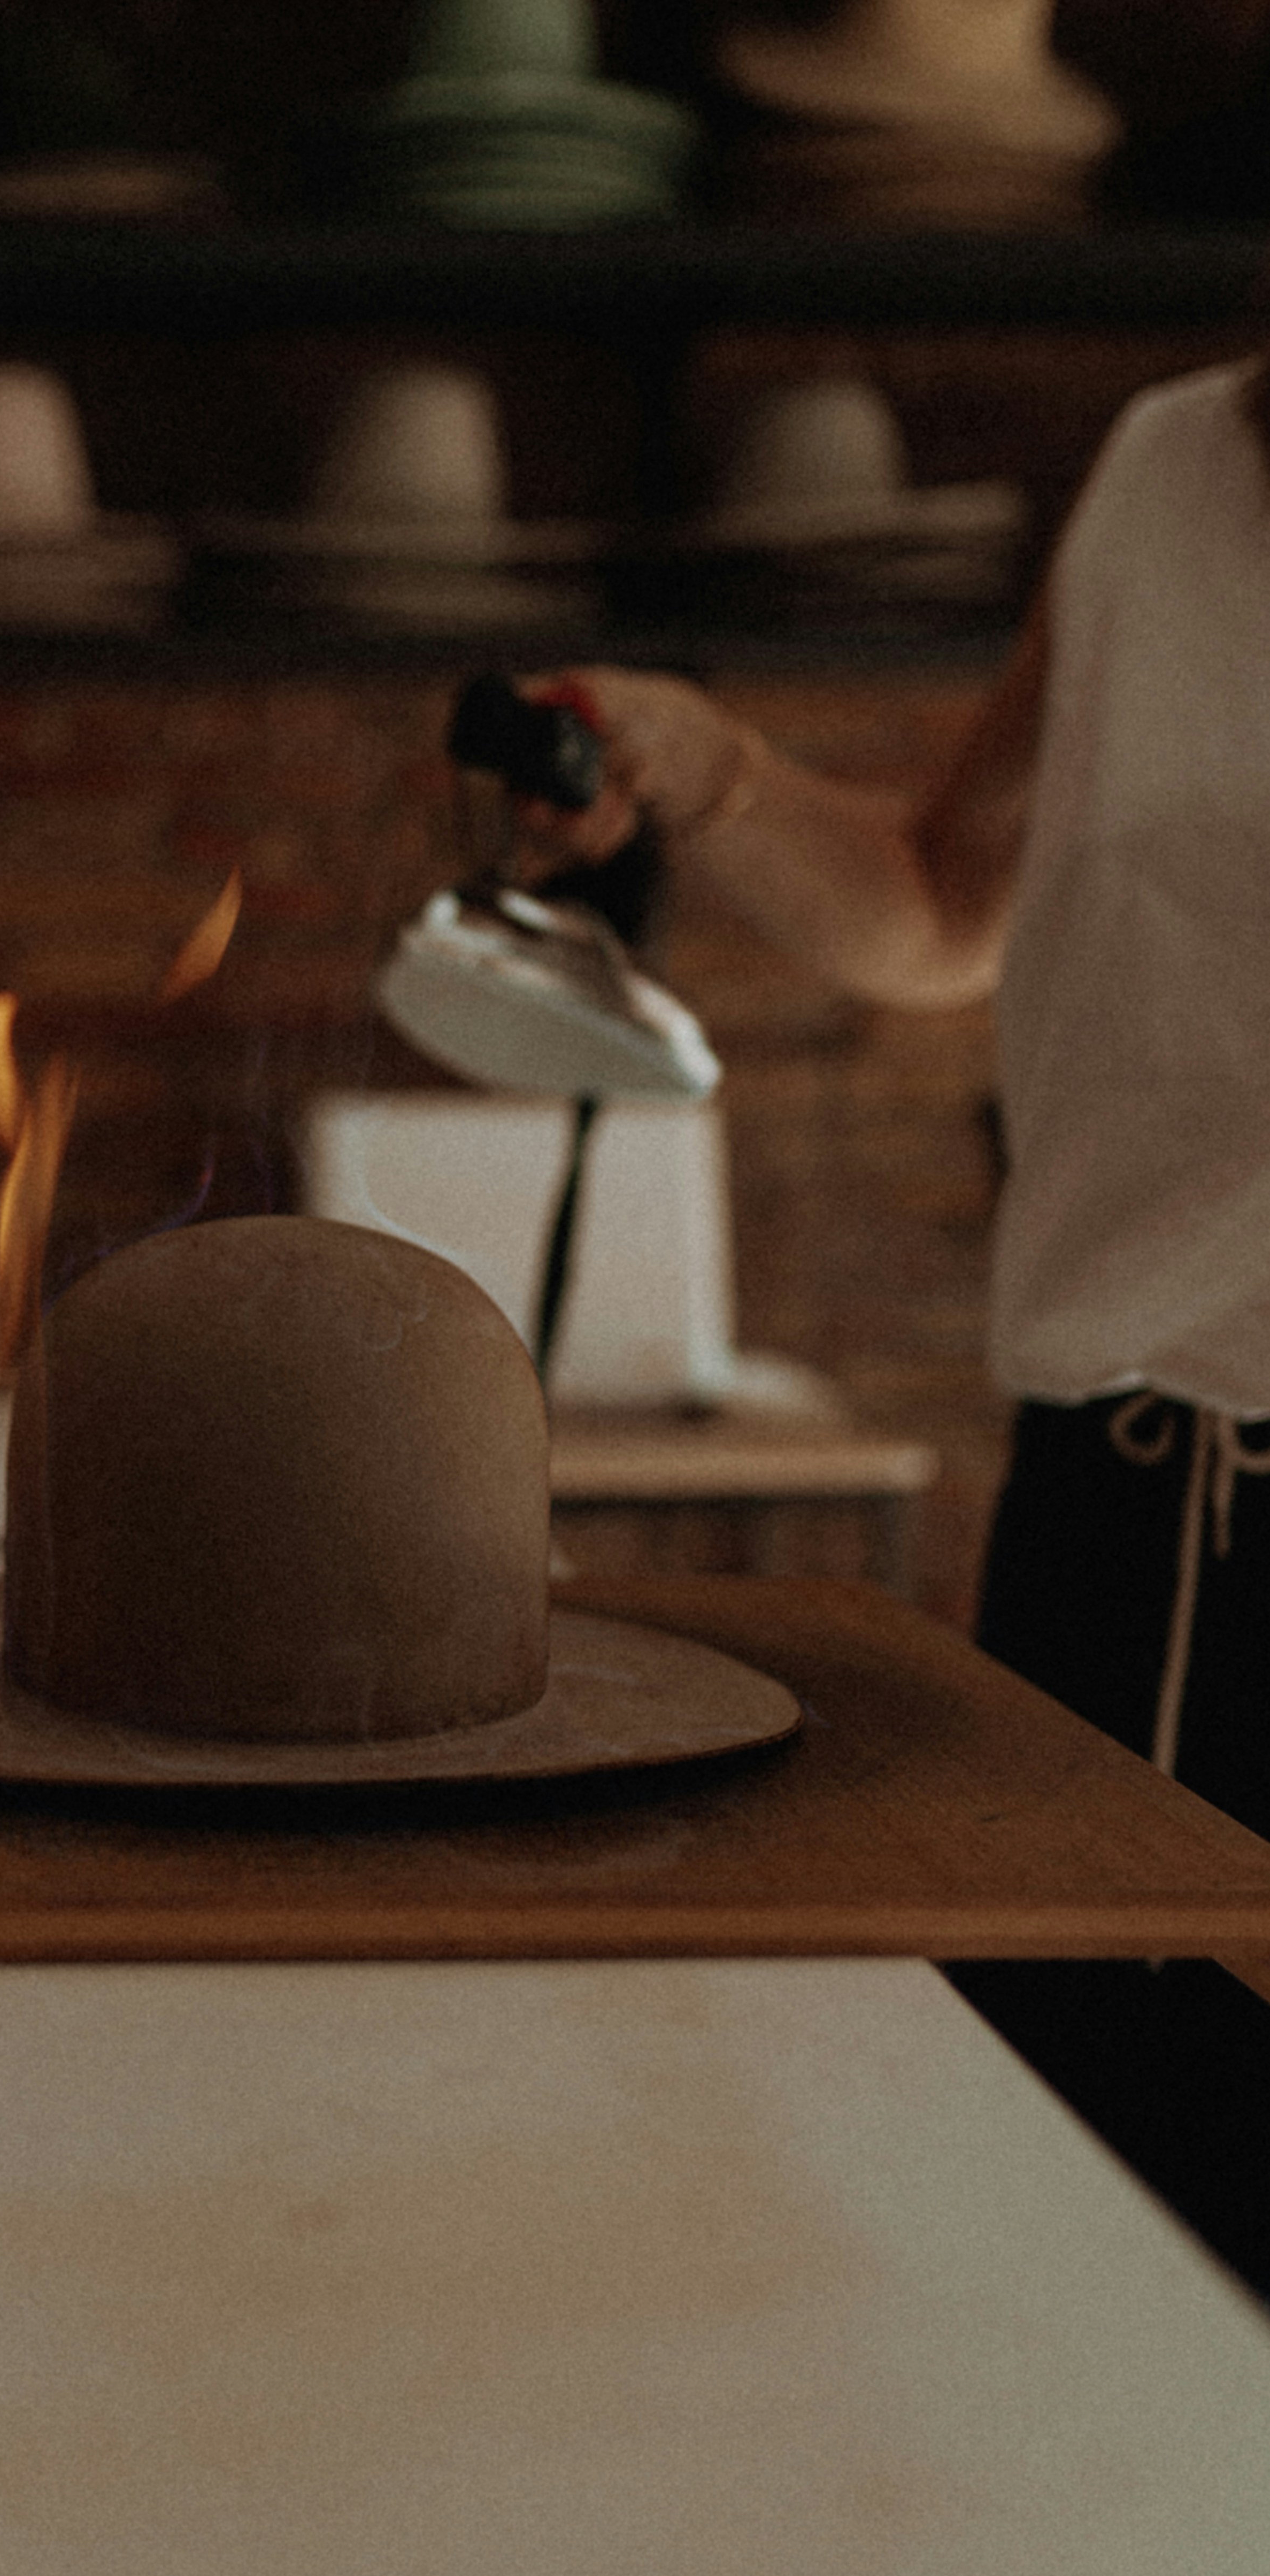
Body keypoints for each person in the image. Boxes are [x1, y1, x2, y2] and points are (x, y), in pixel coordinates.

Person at [526, 354, 1270, 2294]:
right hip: (1107, 1516)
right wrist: (702, 766)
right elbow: (946, 899)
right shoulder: (1168, 461)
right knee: (1055, 2254)